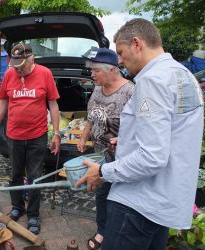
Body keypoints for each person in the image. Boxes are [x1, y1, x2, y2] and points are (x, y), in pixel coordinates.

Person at [76, 18, 204, 250]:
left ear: (137, 43)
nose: (121, 61)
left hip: (137, 203)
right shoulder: (184, 76)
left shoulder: (152, 80)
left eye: (121, 53)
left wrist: (103, 171)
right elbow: (171, 131)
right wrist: (126, 139)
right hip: (164, 200)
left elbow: (152, 157)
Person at [0, 43, 61, 235]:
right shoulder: (10, 74)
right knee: (15, 174)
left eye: (21, 65)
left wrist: (56, 133)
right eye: (15, 65)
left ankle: (33, 214)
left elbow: (53, 104)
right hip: (13, 135)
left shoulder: (45, 74)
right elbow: (3, 101)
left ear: (31, 58)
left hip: (37, 136)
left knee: (35, 177)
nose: (18, 69)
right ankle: (17, 206)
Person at [77, 48, 134, 250]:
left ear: (112, 70)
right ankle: (102, 231)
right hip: (100, 155)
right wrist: (84, 138)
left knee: (118, 199)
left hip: (122, 158)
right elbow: (91, 117)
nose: (92, 74)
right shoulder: (97, 89)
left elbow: (141, 128)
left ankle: (116, 233)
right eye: (91, 70)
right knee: (101, 195)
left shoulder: (130, 91)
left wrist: (124, 138)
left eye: (95, 70)